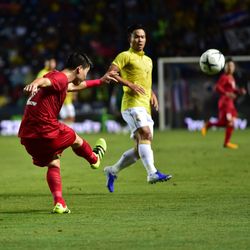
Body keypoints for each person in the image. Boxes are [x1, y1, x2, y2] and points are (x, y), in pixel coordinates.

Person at [18, 52, 117, 213]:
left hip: (28, 136)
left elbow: (72, 87)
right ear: (79, 69)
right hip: (45, 130)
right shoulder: (60, 78)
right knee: (75, 138)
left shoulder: (59, 79)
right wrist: (35, 83)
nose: (86, 75)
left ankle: (59, 203)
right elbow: (44, 81)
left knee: (53, 161)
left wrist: (100, 81)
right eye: (87, 72)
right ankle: (94, 159)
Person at [104, 24, 172, 193]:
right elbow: (110, 74)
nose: (140, 39)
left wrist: (152, 94)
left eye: (142, 37)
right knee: (146, 134)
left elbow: (145, 83)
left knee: (140, 147)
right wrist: (129, 84)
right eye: (136, 36)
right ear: (130, 39)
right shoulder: (125, 56)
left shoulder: (148, 60)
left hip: (145, 106)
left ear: (146, 39)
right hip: (131, 105)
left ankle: (113, 171)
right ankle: (152, 173)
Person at [201, 58, 246, 149]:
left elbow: (232, 90)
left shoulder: (231, 78)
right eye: (228, 66)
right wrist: (227, 93)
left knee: (225, 123)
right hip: (225, 103)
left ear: (234, 67)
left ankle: (209, 125)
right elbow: (217, 87)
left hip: (230, 103)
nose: (230, 68)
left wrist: (239, 91)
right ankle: (226, 143)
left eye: (232, 66)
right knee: (229, 123)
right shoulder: (224, 77)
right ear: (225, 67)